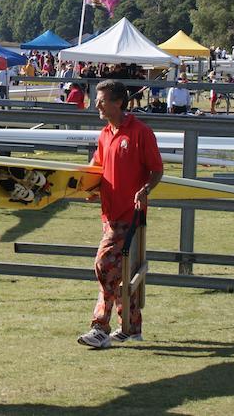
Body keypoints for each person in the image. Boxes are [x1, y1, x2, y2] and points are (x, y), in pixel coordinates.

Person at [77, 80, 163, 349]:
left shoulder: (140, 133)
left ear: (118, 102)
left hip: (131, 216)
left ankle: (100, 327)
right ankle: (131, 327)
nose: (97, 105)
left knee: (104, 267)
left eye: (102, 100)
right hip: (109, 215)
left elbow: (156, 170)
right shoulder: (104, 134)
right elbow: (97, 167)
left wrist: (145, 189)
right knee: (124, 271)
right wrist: (90, 189)